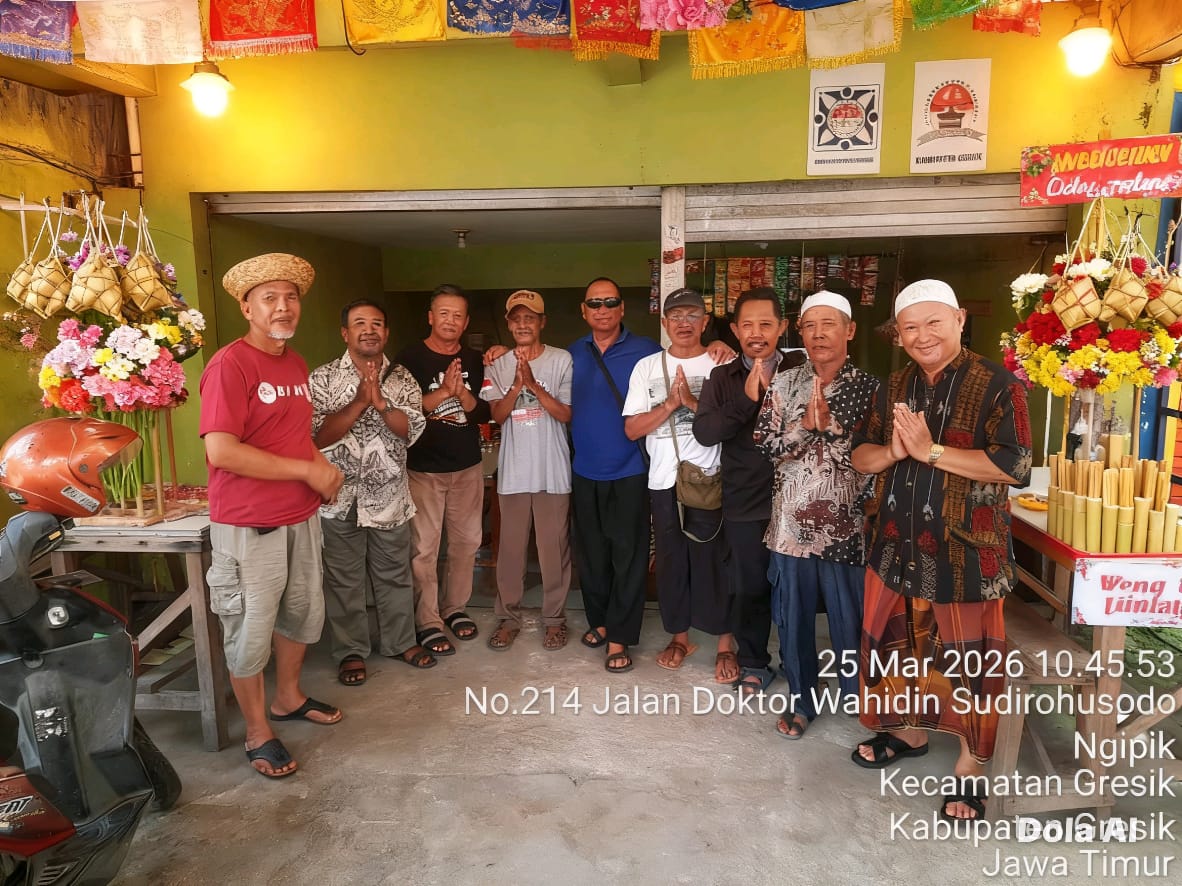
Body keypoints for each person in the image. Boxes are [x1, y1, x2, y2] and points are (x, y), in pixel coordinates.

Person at [850, 279, 1031, 822]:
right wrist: (892, 451)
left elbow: (1014, 466)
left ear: (959, 320)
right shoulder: (894, 384)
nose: (922, 335)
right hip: (896, 546)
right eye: (910, 327)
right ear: (898, 334)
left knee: (970, 663)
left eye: (934, 322)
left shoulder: (999, 385)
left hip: (965, 553)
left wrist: (930, 450)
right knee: (901, 650)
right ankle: (909, 733)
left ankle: (971, 766)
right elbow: (859, 456)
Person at [199, 253, 345, 780]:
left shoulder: (295, 363)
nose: (283, 307)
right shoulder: (230, 365)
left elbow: (295, 436)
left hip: (299, 516)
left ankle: (288, 697)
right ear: (247, 308)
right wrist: (306, 471)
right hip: (248, 523)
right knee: (250, 628)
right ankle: (258, 730)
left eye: (291, 297)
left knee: (301, 615)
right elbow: (222, 451)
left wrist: (321, 467)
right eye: (269, 299)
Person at [752, 289, 879, 739]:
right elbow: (765, 445)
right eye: (810, 325)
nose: (819, 333)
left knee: (852, 622)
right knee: (793, 619)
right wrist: (805, 428)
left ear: (850, 330)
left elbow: (880, 456)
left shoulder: (871, 388)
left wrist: (834, 430)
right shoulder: (785, 383)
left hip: (847, 526)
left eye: (829, 324)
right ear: (801, 333)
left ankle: (860, 700)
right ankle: (803, 699)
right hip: (790, 527)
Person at [310, 299, 433, 687]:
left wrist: (381, 404)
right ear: (345, 333)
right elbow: (316, 437)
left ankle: (400, 642)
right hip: (339, 496)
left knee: (395, 574)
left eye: (377, 323)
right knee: (343, 579)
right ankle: (350, 651)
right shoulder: (323, 379)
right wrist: (360, 402)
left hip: (389, 495)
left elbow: (410, 431)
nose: (369, 330)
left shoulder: (403, 380)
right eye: (359, 323)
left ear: (386, 332)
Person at [694, 287, 803, 697]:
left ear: (782, 327)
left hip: (799, 501)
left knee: (796, 589)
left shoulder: (801, 369)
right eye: (748, 325)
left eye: (766, 324)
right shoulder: (722, 379)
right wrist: (746, 400)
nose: (757, 333)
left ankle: (799, 664)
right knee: (749, 587)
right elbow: (706, 432)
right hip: (745, 501)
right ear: (736, 330)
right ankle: (755, 661)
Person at [624, 288, 736, 683]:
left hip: (710, 479)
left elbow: (736, 423)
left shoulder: (724, 361)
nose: (683, 323)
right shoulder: (646, 368)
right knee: (672, 563)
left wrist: (691, 403)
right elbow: (632, 428)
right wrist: (670, 404)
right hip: (663, 481)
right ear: (664, 323)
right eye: (676, 316)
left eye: (692, 316)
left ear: (705, 322)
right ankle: (679, 637)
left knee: (716, 562)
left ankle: (725, 643)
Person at [568, 277, 662, 674]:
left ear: (622, 308)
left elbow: (685, 364)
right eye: (595, 303)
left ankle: (620, 636)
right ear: (584, 311)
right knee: (592, 555)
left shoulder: (648, 351)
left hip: (630, 470)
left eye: (610, 302)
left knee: (628, 556)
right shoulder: (572, 354)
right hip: (584, 469)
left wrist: (716, 348)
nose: (602, 309)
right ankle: (602, 620)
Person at [396, 284, 491, 656]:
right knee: (424, 548)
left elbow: (483, 412)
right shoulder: (409, 358)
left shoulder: (475, 360)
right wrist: (444, 393)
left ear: (466, 322)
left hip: (466, 466)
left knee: (467, 543)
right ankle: (428, 621)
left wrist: (462, 393)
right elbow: (401, 411)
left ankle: (455, 608)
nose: (451, 321)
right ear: (431, 317)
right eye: (444, 313)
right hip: (424, 469)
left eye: (458, 315)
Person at [480, 290, 573, 650]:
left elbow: (565, 414)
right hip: (514, 472)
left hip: (553, 471)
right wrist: (518, 383)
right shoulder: (496, 364)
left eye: (529, 318)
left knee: (553, 551)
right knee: (510, 551)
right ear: (508, 324)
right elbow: (498, 415)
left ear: (541, 322)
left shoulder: (562, 359)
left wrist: (533, 384)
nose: (522, 324)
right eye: (516, 318)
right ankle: (508, 618)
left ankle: (554, 620)